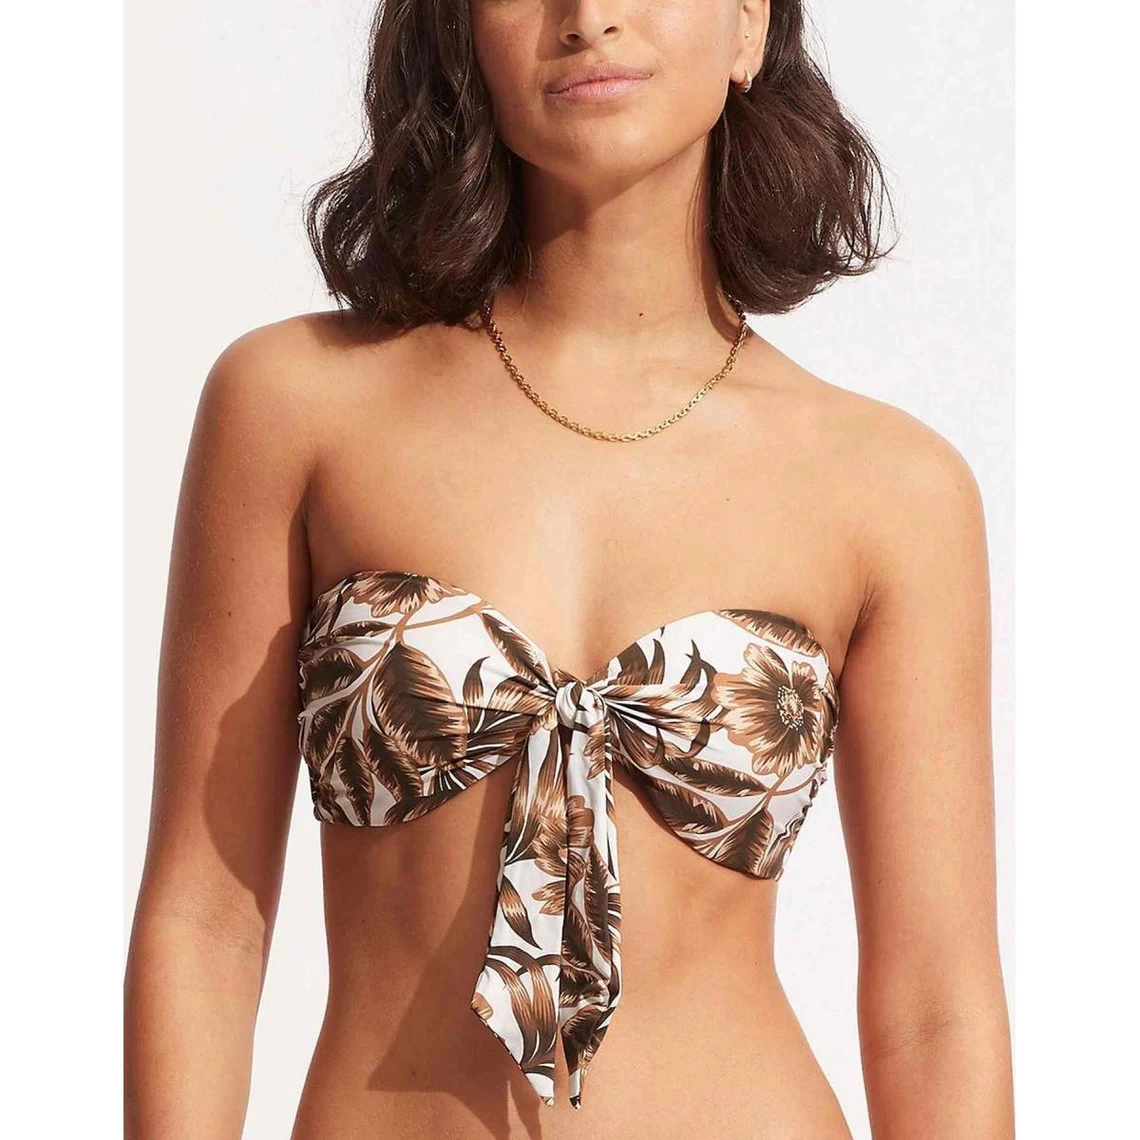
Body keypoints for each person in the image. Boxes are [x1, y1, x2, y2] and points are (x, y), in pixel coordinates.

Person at [124, 1, 1014, 1136]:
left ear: (749, 28)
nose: (589, 18)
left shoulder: (893, 488)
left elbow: (935, 1006)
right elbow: (205, 920)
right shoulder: (292, 407)